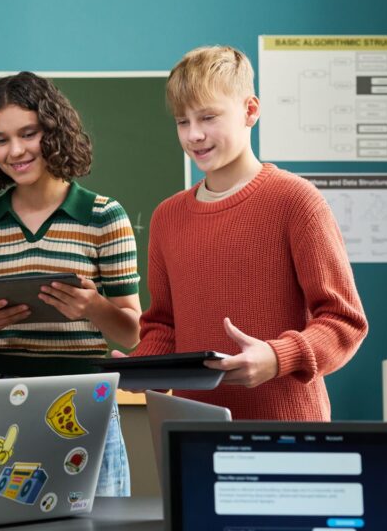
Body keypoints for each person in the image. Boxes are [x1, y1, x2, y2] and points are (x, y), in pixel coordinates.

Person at [132, 45, 368, 420]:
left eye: (208, 117)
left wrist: (277, 358)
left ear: (250, 110)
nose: (194, 135)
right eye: (182, 121)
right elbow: (164, 327)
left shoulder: (296, 201)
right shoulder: (167, 217)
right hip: (195, 430)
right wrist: (133, 373)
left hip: (289, 430)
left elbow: (345, 321)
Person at [0, 71, 139, 497]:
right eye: (1, 139)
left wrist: (92, 307)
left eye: (28, 133)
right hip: (2, 399)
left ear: (52, 132)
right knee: (3, 519)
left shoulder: (104, 216)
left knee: (97, 523)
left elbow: (131, 332)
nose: (15, 150)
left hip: (88, 395)